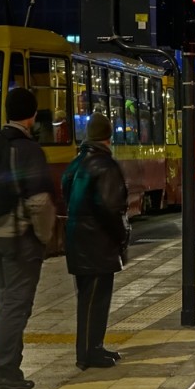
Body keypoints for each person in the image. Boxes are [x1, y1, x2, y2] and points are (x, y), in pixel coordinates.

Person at [0, 88, 56, 389]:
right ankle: (2, 369)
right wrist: (43, 237)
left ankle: (8, 366)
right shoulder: (27, 149)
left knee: (5, 302)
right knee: (16, 304)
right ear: (33, 115)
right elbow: (39, 202)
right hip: (18, 238)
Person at [61, 112, 129, 371]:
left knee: (88, 298)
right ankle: (89, 353)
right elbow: (111, 208)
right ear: (108, 136)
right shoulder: (104, 165)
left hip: (79, 238)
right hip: (97, 242)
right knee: (95, 299)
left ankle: (94, 347)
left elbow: (66, 192)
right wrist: (121, 238)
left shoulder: (77, 162)